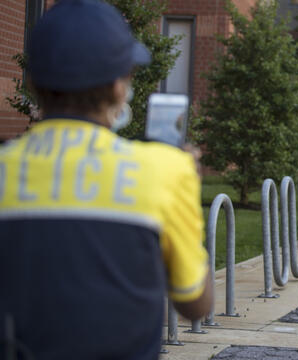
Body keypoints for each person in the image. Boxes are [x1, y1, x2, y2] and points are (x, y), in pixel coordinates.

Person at [0, 1, 213, 358]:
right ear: (119, 88)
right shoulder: (164, 171)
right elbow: (195, 303)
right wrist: (184, 197)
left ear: (33, 81)